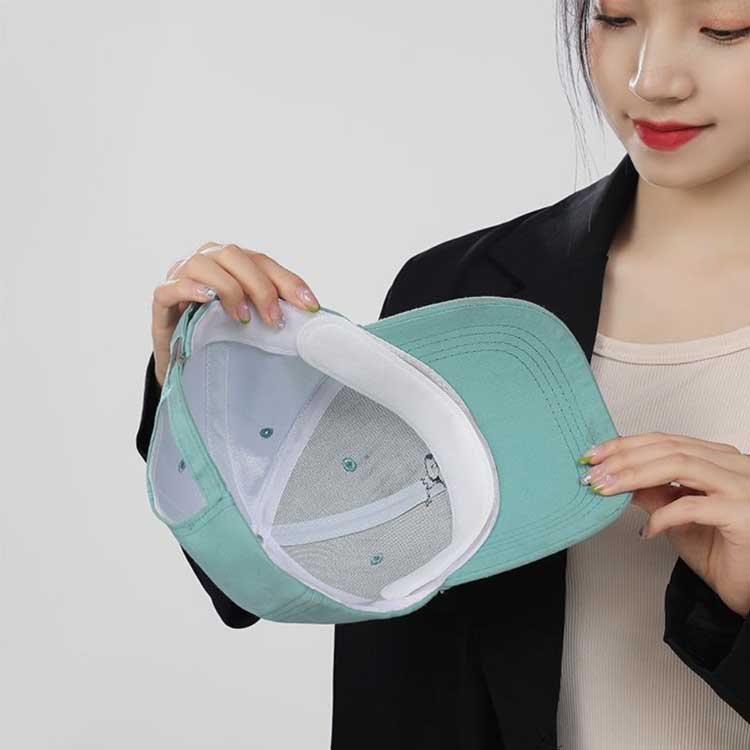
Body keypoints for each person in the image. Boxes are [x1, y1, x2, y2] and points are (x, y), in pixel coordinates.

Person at [135, 1, 750, 747]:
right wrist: (196, 387)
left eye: (725, 28)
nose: (651, 78)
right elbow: (266, 575)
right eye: (615, 16)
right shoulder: (463, 298)